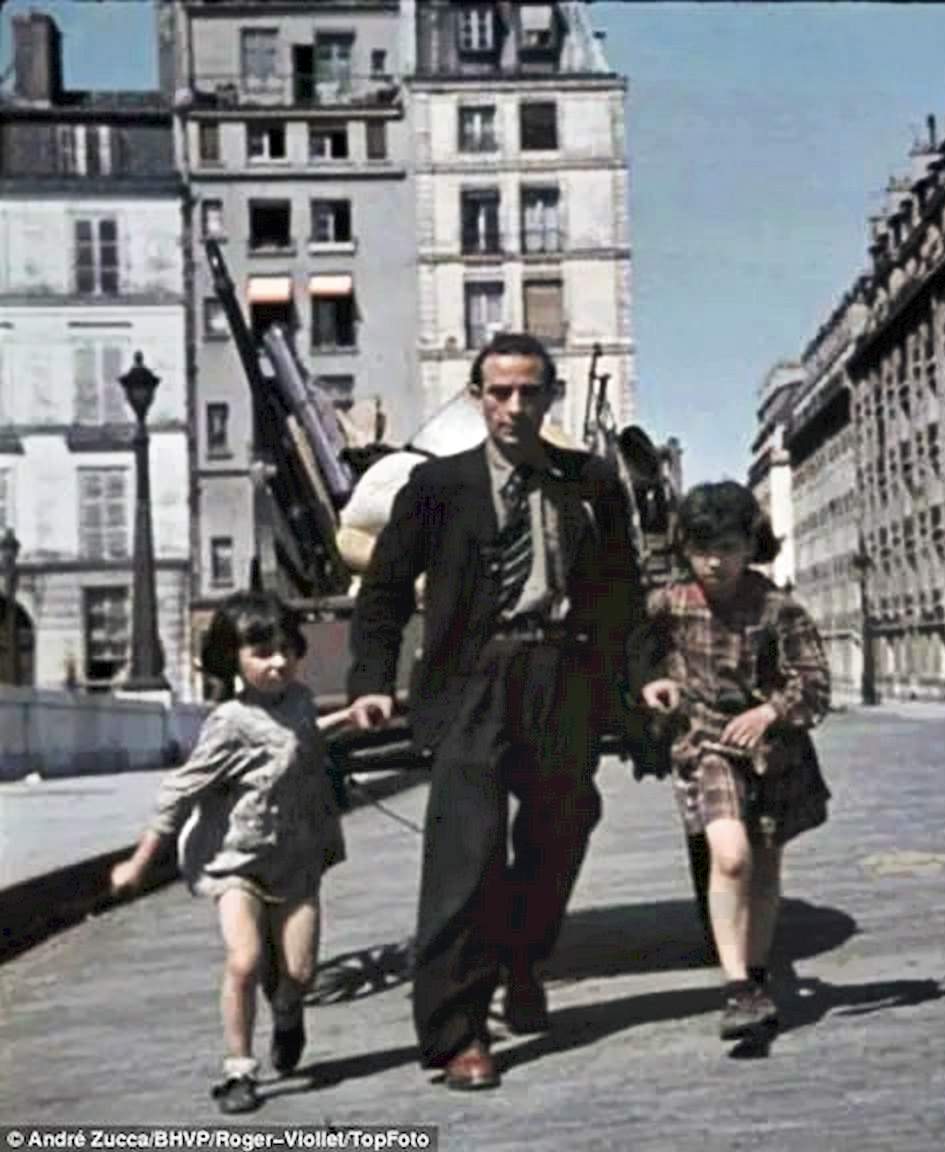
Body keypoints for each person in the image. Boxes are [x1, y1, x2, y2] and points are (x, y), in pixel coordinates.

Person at [345, 330, 643, 1091]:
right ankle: (459, 1034)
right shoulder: (436, 486)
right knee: (465, 856)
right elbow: (381, 595)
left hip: (562, 675)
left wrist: (641, 679)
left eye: (529, 392)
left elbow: (622, 596)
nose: (514, 406)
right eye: (499, 392)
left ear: (550, 398)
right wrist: (372, 682)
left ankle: (523, 957)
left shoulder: (591, 483)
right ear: (478, 398)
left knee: (561, 829)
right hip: (471, 682)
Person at [109, 592, 351, 1115]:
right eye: (262, 652)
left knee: (300, 973)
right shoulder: (228, 722)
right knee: (244, 960)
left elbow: (301, 735)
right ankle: (239, 1070)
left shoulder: (302, 701)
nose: (278, 662)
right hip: (235, 861)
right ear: (232, 658)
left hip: (295, 856)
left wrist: (351, 717)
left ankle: (287, 1015)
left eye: (286, 649)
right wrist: (140, 861)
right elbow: (180, 791)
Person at [634, 480, 831, 1043]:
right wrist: (652, 681)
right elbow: (634, 641)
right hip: (705, 746)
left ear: (751, 545)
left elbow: (815, 686)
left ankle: (758, 973)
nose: (713, 562)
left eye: (726, 547)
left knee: (764, 867)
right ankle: (736, 986)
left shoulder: (779, 610)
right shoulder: (670, 603)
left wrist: (770, 712)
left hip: (773, 756)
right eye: (700, 549)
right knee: (731, 856)